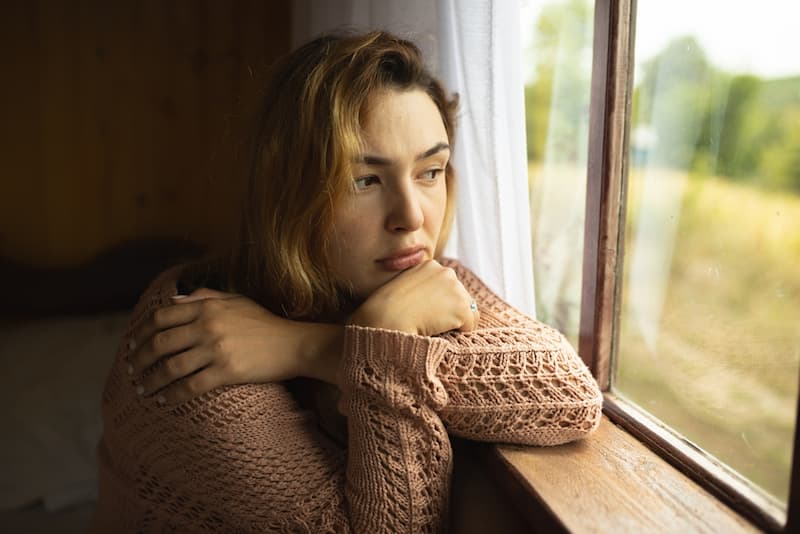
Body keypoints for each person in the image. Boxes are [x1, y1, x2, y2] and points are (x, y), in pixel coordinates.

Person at [91, 31, 602, 533]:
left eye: (430, 171)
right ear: (287, 191)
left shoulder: (406, 282)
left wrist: (311, 347)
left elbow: (568, 392)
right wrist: (379, 349)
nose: (411, 216)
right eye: (365, 180)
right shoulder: (192, 347)